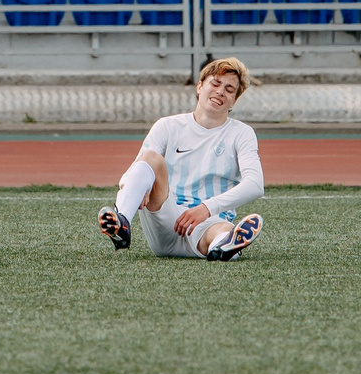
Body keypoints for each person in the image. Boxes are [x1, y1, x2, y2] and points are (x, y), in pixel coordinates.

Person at [96, 57, 265, 260]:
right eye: (216, 83)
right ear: (200, 86)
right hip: (167, 219)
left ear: (234, 101)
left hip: (209, 221)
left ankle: (224, 247)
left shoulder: (242, 133)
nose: (221, 91)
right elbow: (135, 170)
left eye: (230, 89)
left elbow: (255, 184)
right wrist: (138, 188)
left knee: (221, 229)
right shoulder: (167, 126)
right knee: (150, 158)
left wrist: (206, 208)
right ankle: (122, 222)